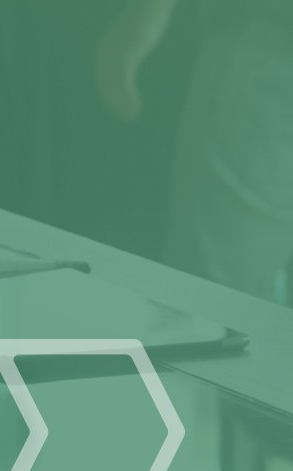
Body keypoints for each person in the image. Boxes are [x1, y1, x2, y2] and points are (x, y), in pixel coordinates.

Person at [95, 0, 293, 304]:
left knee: (212, 310)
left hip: (271, 54)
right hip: (273, 63)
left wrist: (148, 13)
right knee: (221, 308)